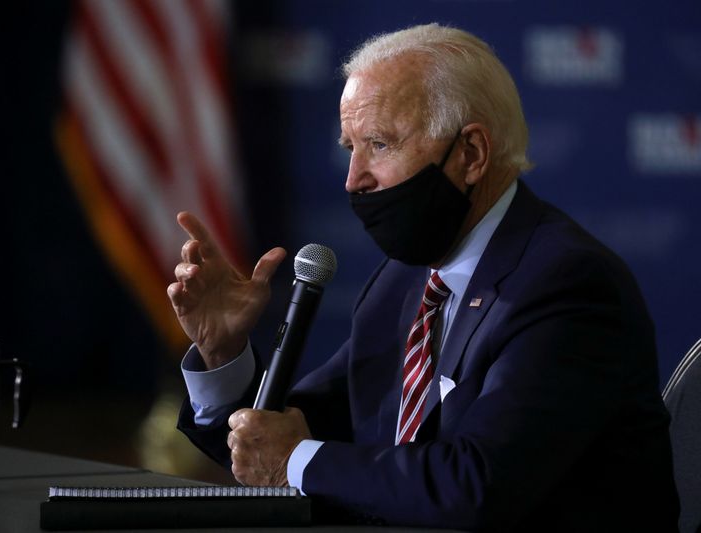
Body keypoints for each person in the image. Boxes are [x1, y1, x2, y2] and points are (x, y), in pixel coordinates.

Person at [168, 23, 678, 531]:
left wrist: (294, 459)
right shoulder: (404, 282)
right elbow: (272, 441)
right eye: (350, 147)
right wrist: (224, 353)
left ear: (471, 155)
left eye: (380, 144)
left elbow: (477, 485)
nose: (353, 178)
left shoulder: (567, 284)